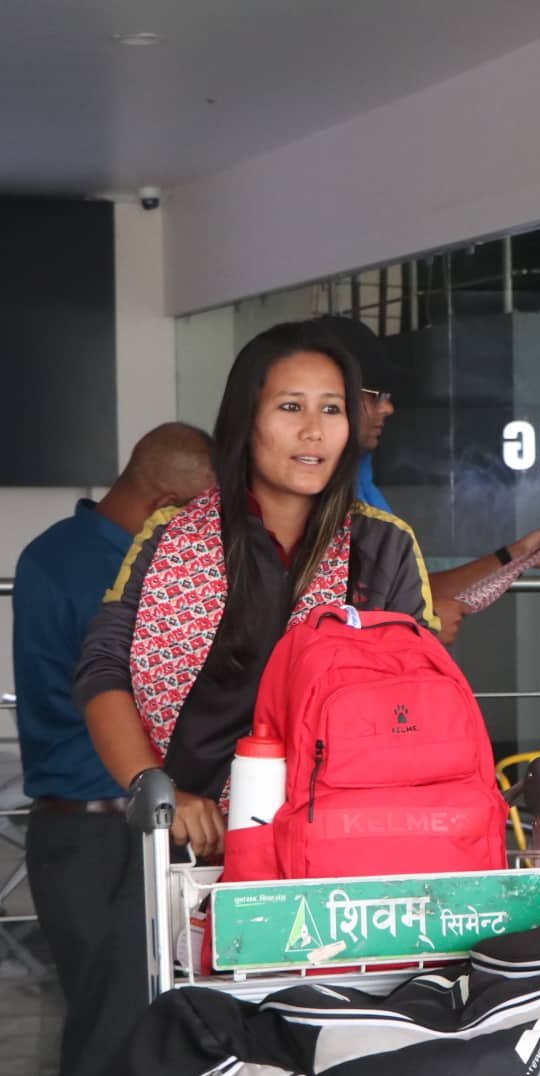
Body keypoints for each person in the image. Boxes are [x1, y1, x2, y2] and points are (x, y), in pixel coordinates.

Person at [75, 320, 438, 862]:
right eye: (291, 407)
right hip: (189, 845)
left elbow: (420, 700)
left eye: (332, 409)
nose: (314, 431)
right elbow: (103, 667)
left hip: (342, 847)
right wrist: (157, 789)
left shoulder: (383, 545)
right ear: (247, 419)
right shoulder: (173, 535)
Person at [12, 422, 215, 1076]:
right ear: (166, 503)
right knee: (117, 1046)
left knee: (115, 1033)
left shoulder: (54, 549)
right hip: (109, 833)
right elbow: (150, 697)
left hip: (77, 834)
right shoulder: (114, 572)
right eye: (200, 512)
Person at [309, 315, 540, 643]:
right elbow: (313, 625)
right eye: (377, 395)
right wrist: (413, 626)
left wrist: (517, 555)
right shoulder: (302, 498)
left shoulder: (360, 483)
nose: (388, 408)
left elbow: (409, 590)